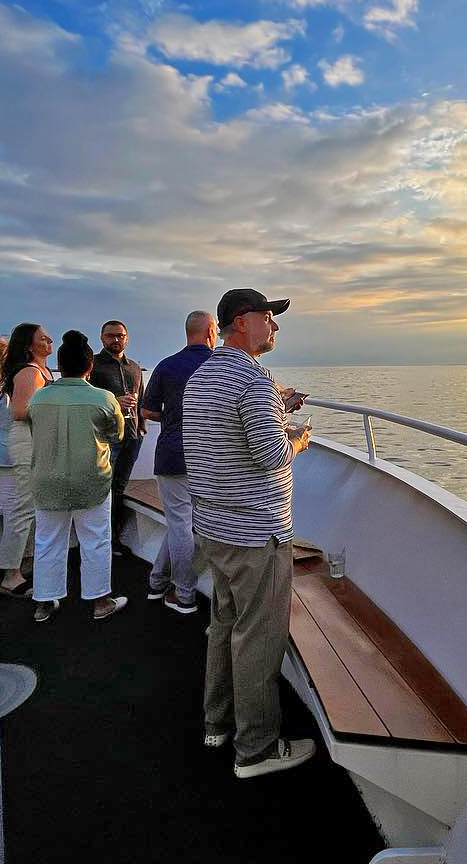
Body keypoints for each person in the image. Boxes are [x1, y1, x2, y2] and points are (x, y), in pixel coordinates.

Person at [183, 289, 314, 779]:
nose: (275, 327)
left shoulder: (204, 377)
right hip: (256, 533)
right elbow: (271, 455)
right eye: (269, 318)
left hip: (215, 527)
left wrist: (275, 404)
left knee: (225, 625)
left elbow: (226, 432)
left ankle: (217, 723)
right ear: (243, 322)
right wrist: (297, 436)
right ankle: (256, 749)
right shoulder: (253, 380)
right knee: (259, 637)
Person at [28, 330, 128, 623]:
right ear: (89, 366)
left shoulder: (39, 398)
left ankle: (45, 603)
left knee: (47, 541)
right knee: (95, 540)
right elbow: (116, 434)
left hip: (47, 481)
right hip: (91, 481)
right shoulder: (104, 398)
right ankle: (99, 602)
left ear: (61, 364)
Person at [142, 310, 217, 612]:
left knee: (179, 523)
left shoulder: (166, 365)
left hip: (173, 455)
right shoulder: (219, 366)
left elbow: (147, 412)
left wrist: (173, 417)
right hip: (210, 459)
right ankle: (183, 593)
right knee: (186, 525)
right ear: (211, 331)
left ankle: (160, 581)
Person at [0, 323, 53, 596]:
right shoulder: (30, 372)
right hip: (27, 439)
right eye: (43, 338)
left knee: (31, 506)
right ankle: (10, 575)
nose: (49, 340)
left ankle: (23, 563)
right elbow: (20, 411)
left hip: (37, 438)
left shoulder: (42, 371)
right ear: (30, 346)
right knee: (22, 508)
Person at [89, 320, 145, 556]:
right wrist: (114, 401)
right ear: (102, 338)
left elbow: (141, 398)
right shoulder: (93, 366)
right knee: (103, 490)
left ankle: (114, 540)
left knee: (120, 489)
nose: (116, 340)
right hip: (105, 436)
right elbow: (87, 397)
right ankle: (98, 542)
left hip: (132, 435)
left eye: (120, 336)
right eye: (111, 336)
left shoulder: (134, 367)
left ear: (127, 338)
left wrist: (141, 426)